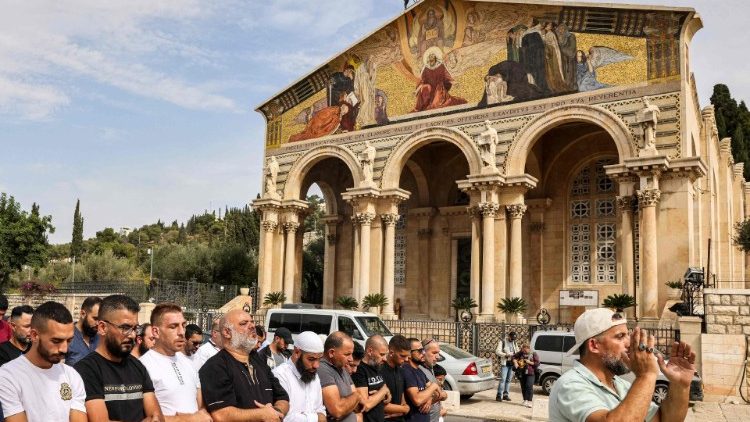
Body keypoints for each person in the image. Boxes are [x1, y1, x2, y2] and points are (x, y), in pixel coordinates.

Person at [549, 308, 696, 422]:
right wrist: (647, 375)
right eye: (620, 337)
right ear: (594, 345)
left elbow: (664, 420)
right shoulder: (571, 385)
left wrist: (680, 386)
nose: (629, 344)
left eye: (628, 335)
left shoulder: (621, 385)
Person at [73, 294, 163, 421]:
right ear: (102, 327)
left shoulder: (138, 367)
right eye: (125, 328)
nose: (132, 335)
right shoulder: (86, 370)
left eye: (135, 328)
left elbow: (157, 417)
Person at [0, 301, 87, 421]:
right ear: (34, 335)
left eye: (69, 340)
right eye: (56, 341)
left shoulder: (71, 375)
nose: (64, 349)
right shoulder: (8, 375)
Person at [199, 309, 289, 421]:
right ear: (227, 332)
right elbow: (221, 415)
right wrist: (261, 415)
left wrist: (276, 412)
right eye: (243, 323)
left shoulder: (259, 362)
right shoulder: (215, 367)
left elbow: (282, 397)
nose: (252, 326)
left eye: (252, 322)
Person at [140, 303, 211, 421]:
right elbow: (151, 418)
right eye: (173, 327)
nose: (182, 332)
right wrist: (190, 419)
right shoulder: (143, 366)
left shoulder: (189, 362)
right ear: (156, 332)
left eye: (183, 325)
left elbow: (201, 408)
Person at [272, 331, 326, 422]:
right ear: (297, 352)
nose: (316, 365)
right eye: (311, 359)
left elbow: (321, 410)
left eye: (319, 359)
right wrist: (316, 417)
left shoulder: (314, 376)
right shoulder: (280, 375)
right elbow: (284, 418)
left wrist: (303, 417)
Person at [319, 331, 362, 422]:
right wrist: (356, 396)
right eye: (347, 354)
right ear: (331, 352)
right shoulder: (322, 369)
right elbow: (337, 410)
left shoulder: (341, 367)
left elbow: (359, 407)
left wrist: (355, 397)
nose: (351, 359)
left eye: (351, 354)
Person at [413, 47, 466, 112]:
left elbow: (447, 76)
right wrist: (416, 91)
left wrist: (454, 83)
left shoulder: (441, 66)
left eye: (432, 58)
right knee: (425, 87)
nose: (430, 60)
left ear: (435, 58)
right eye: (429, 58)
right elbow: (422, 81)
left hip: (439, 88)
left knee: (437, 96)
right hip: (430, 90)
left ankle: (435, 103)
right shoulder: (426, 69)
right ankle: (423, 105)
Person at [352, 335, 391, 422]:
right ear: (370, 351)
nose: (385, 359)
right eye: (382, 354)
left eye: (386, 355)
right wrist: (383, 391)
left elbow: (388, 397)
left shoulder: (377, 366)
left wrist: (379, 395)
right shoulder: (359, 369)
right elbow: (366, 405)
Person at [403, 338, 440, 422]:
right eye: (420, 350)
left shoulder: (419, 371)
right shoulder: (406, 371)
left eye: (423, 350)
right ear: (409, 353)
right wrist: (434, 386)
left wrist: (429, 398)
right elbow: (418, 400)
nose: (423, 353)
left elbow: (441, 394)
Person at [382, 335, 410, 422]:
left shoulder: (400, 370)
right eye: (402, 356)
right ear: (391, 352)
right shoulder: (380, 371)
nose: (406, 359)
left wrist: (404, 408)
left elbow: (402, 399)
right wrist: (404, 409)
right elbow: (380, 405)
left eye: (407, 356)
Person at [67, 296, 102, 366]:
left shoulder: (101, 338)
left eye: (100, 320)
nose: (98, 323)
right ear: (83, 314)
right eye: (95, 318)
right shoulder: (67, 337)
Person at [418, 339, 447, 422]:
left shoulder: (430, 367)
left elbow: (439, 394)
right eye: (434, 353)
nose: (437, 356)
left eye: (438, 353)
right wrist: (440, 396)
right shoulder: (419, 370)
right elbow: (419, 401)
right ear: (423, 353)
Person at [512, 343, 539, 408]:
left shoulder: (533, 354)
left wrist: (529, 362)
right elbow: (513, 357)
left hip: (530, 372)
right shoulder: (521, 353)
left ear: (528, 349)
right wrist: (515, 362)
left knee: (529, 386)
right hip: (522, 372)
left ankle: (530, 401)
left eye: (525, 350)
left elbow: (537, 363)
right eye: (523, 350)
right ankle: (525, 400)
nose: (524, 351)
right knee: (523, 386)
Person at [495, 331, 518, 401]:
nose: (512, 340)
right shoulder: (502, 342)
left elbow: (517, 350)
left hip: (512, 363)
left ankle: (506, 395)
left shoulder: (514, 343)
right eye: (511, 338)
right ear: (509, 336)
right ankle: (499, 395)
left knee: (508, 380)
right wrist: (505, 355)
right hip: (505, 363)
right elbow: (497, 351)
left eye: (513, 339)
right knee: (503, 380)